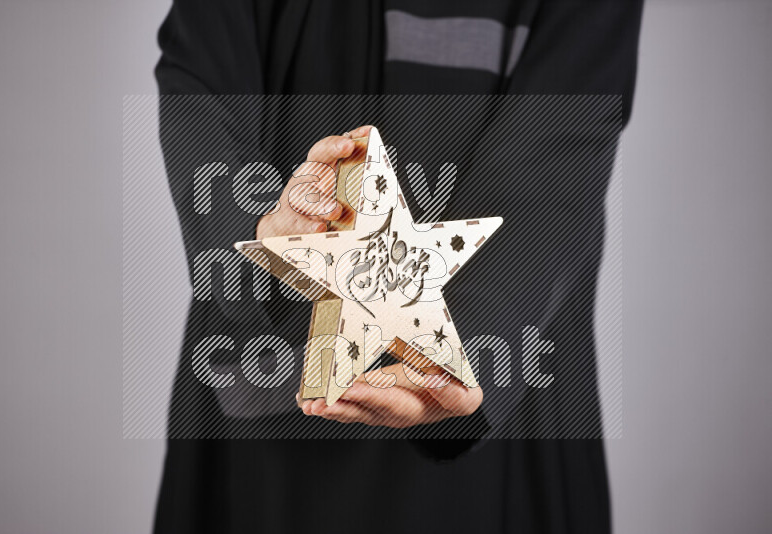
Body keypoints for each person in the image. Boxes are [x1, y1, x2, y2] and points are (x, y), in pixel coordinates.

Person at [153, 1, 643, 532]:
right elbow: (201, 84)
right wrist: (262, 225)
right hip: (263, 368)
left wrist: (458, 350)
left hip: (506, 370)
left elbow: (565, 134)